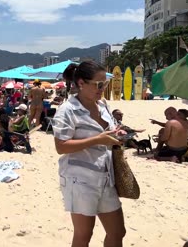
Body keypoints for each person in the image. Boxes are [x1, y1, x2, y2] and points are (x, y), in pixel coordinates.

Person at [52, 61, 126, 247]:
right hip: (80, 180)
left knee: (118, 232)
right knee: (84, 235)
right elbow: (61, 146)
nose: (102, 89)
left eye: (105, 84)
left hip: (106, 176)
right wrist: (98, 140)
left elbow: (108, 131)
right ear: (81, 83)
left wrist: (119, 132)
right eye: (98, 84)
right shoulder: (67, 111)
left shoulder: (102, 105)